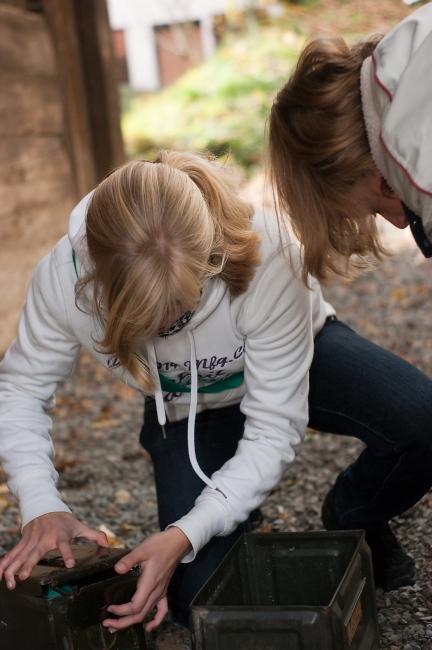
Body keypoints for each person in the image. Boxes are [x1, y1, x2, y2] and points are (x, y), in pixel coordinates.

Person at [0, 152, 431, 635]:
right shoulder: (62, 279)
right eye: (145, 319)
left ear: (212, 259)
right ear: (99, 283)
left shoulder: (268, 252)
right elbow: (21, 388)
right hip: (188, 405)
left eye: (179, 307)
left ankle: (353, 513)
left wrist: (190, 531)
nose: (165, 328)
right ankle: (234, 510)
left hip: (301, 359)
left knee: (422, 421)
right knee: (195, 599)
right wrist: (41, 505)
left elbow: (273, 429)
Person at [268, 2, 432, 283]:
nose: (400, 222)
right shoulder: (412, 43)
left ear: (351, 165)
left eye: (375, 208)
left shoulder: (415, 160)